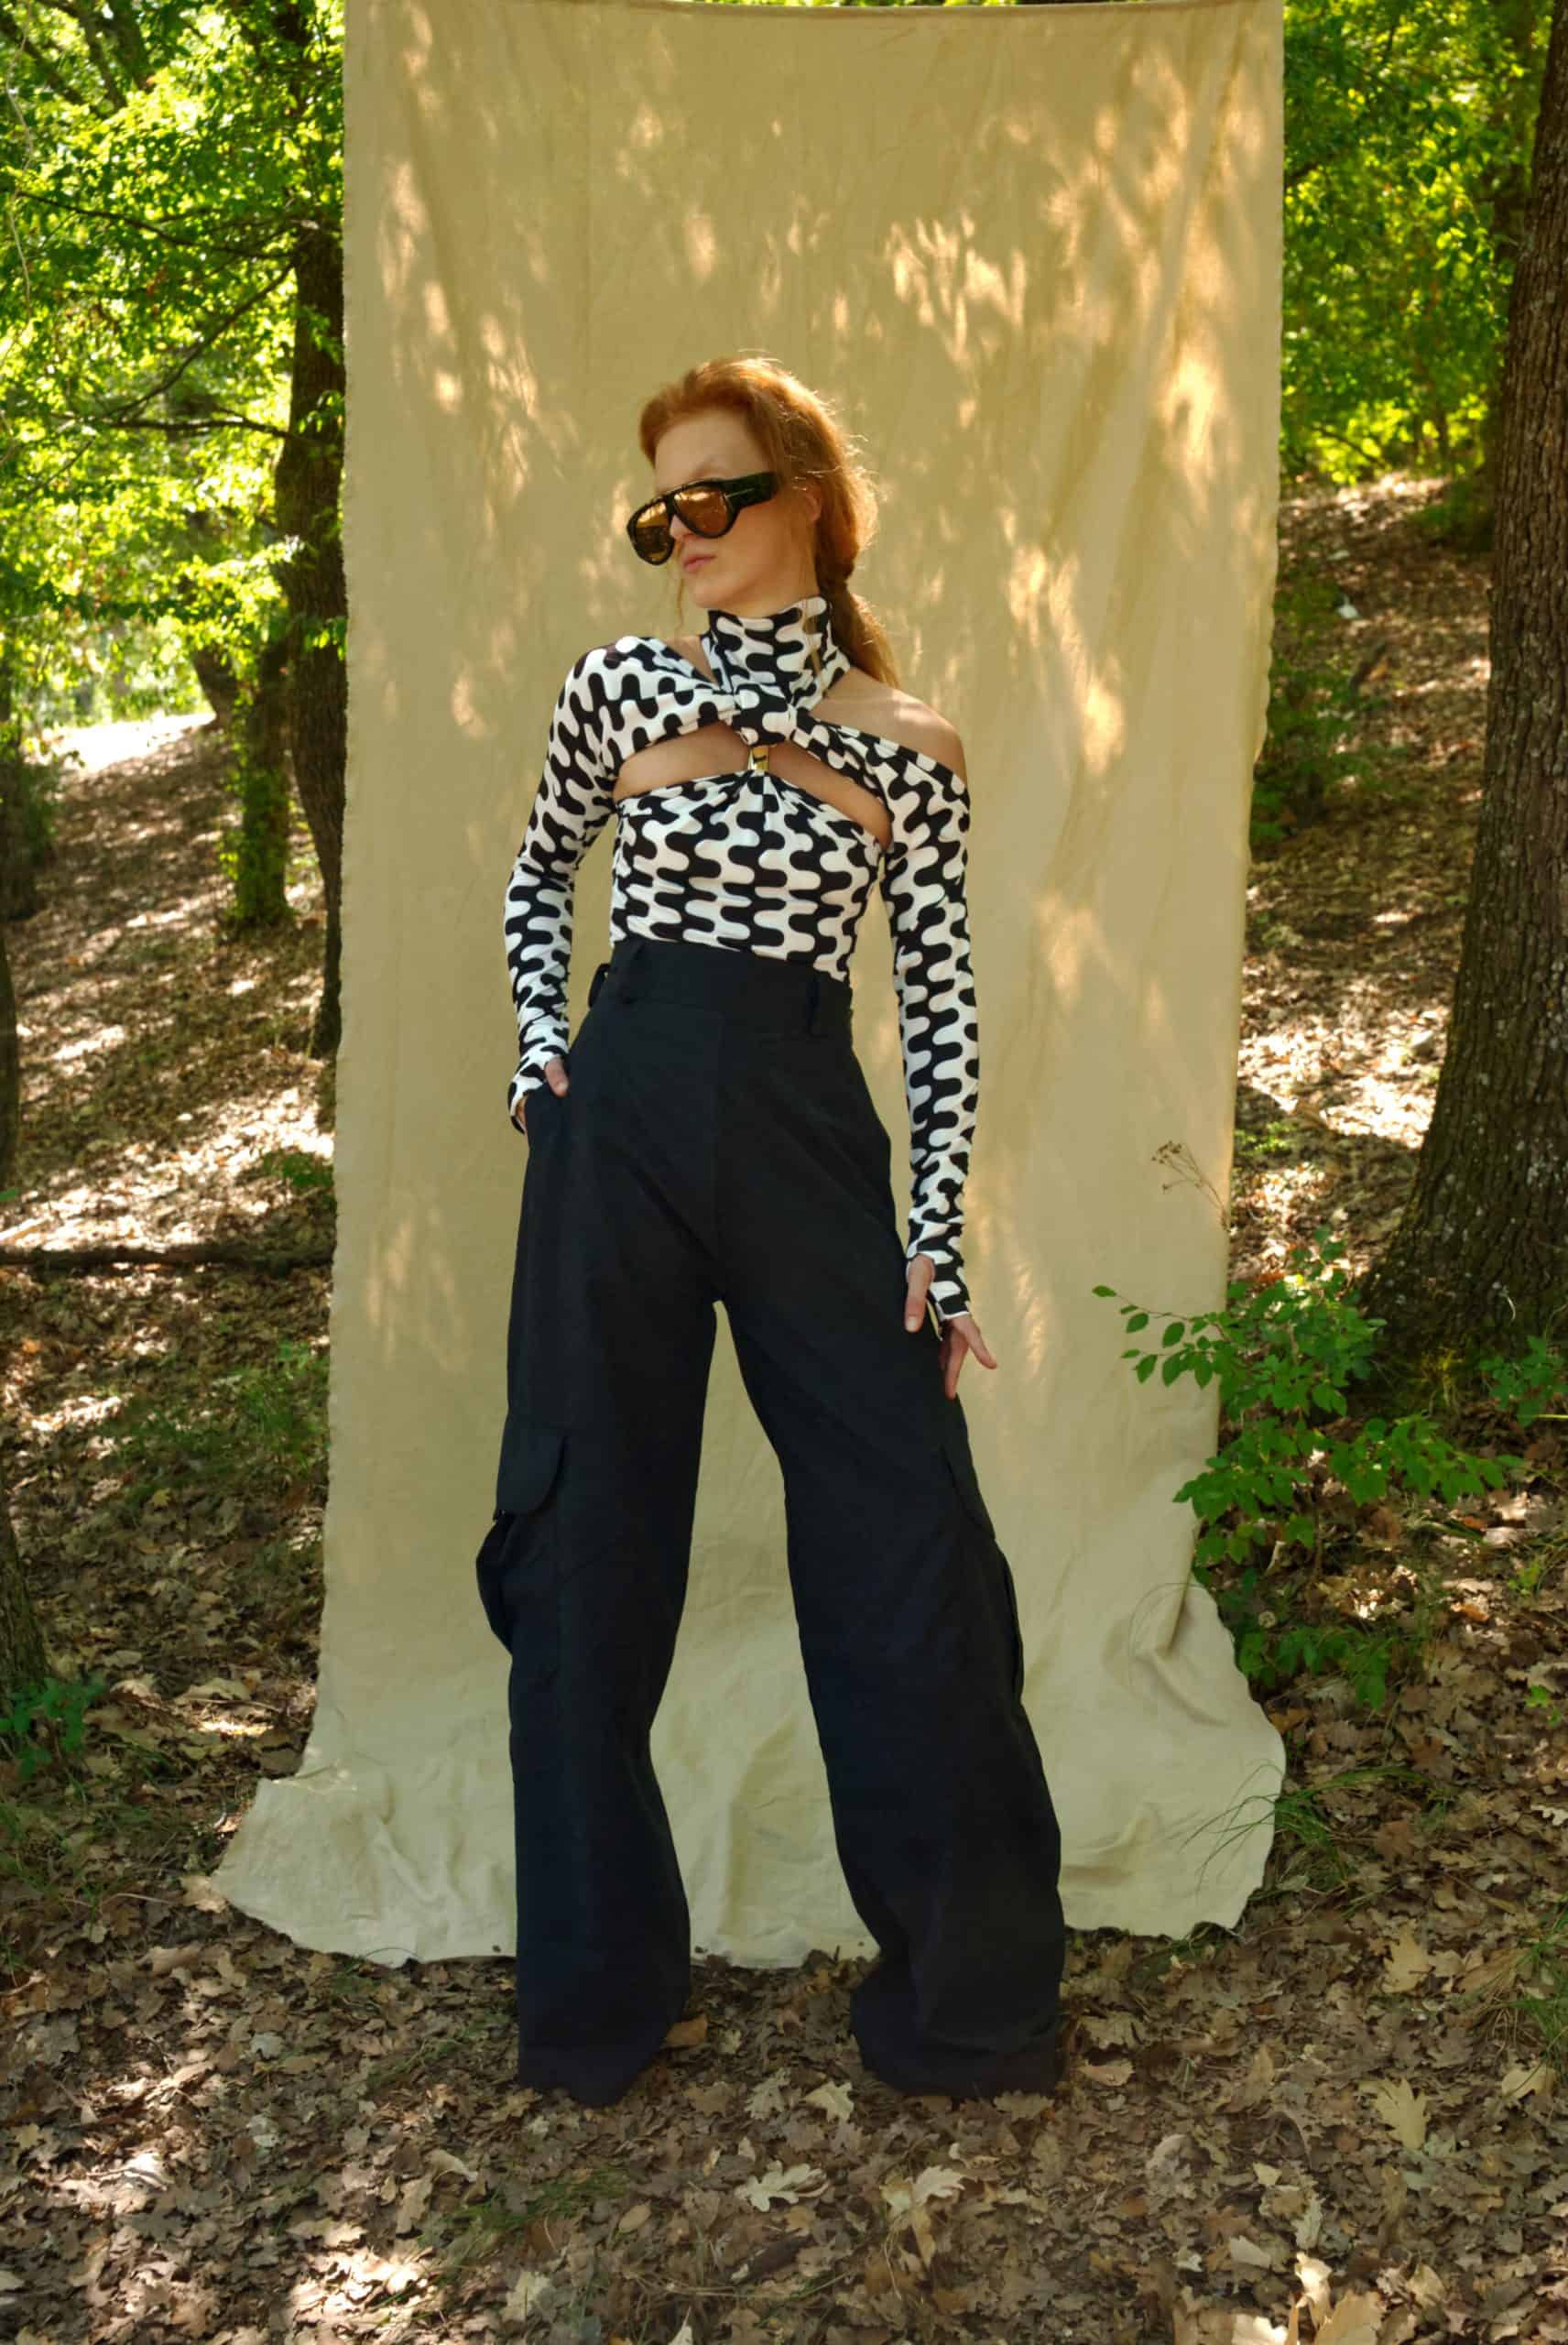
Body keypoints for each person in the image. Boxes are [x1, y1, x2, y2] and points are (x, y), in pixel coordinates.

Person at [474, 354, 1067, 2108]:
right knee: (585, 1542)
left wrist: (938, 1242)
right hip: (625, 1113)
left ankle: (969, 2006)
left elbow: (944, 1011)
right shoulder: (613, 688)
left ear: (806, 493)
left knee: (908, 1549)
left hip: (810, 1127)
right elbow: (536, 886)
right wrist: (540, 1051)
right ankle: (595, 2006)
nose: (683, 536)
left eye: (713, 496)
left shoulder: (915, 749)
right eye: (658, 509)